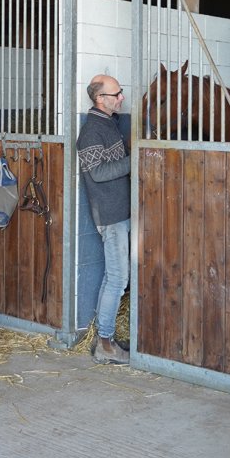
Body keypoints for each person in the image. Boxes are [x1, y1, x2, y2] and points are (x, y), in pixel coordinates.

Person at [76, 73, 131, 365]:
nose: (121, 97)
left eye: (120, 92)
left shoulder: (110, 125)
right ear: (100, 99)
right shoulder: (91, 132)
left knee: (114, 277)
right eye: (116, 94)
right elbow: (97, 173)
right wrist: (135, 160)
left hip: (119, 212)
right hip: (110, 215)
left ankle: (104, 340)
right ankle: (106, 344)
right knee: (118, 280)